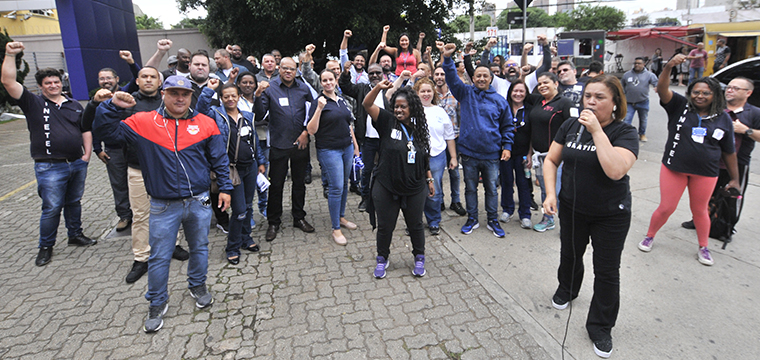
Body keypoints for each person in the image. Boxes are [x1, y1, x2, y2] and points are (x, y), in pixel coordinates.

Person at [93, 76, 232, 333]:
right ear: (163, 93)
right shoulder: (143, 121)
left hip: (199, 202)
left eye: (185, 94)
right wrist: (112, 106)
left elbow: (219, 158)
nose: (180, 98)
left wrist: (225, 187)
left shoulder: (205, 123)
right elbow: (106, 133)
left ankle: (197, 285)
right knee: (158, 256)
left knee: (200, 248)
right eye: (174, 93)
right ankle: (156, 301)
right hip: (162, 205)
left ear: (191, 96)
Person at [542, 74, 639, 359]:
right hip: (572, 207)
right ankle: (567, 288)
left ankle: (600, 326)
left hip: (610, 214)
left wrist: (597, 131)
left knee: (607, 271)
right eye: (588, 96)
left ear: (615, 103)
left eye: (600, 97)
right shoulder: (571, 125)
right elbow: (551, 159)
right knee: (570, 254)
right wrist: (550, 193)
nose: (592, 102)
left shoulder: (624, 133)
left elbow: (615, 170)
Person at [638, 53, 740, 266]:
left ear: (715, 95)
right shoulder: (680, 106)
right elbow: (663, 89)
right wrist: (668, 67)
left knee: (700, 211)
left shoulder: (724, 119)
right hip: (674, 168)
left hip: (706, 172)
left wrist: (735, 179)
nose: (699, 96)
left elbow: (729, 152)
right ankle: (650, 235)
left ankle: (703, 247)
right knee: (666, 207)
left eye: (706, 93)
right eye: (696, 92)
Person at [2, 41, 96, 267]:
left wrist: (87, 155)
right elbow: (7, 80)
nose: (53, 85)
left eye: (56, 81)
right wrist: (9, 54)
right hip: (49, 166)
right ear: (41, 86)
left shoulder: (74, 104)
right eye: (48, 83)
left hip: (76, 163)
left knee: (74, 202)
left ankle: (75, 235)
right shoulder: (32, 102)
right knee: (52, 207)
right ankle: (46, 247)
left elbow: (85, 129)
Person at [439, 41, 514, 238]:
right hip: (469, 153)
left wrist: (507, 146)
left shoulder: (500, 101)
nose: (481, 78)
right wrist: (447, 58)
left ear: (491, 78)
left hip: (491, 154)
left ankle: (492, 220)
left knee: (491, 189)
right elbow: (452, 78)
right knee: (470, 188)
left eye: (485, 76)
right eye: (478, 75)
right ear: (473, 78)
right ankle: (472, 218)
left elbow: (507, 126)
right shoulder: (465, 93)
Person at [362, 80, 434, 278]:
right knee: (385, 226)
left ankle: (419, 257)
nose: (399, 110)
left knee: (416, 224)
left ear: (412, 107)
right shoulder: (386, 121)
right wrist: (378, 88)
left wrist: (429, 179)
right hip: (387, 185)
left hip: (414, 186)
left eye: (403, 106)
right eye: (396, 106)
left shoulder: (419, 128)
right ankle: (381, 259)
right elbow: (367, 105)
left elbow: (423, 157)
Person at [198, 80, 266, 264]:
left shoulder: (247, 116)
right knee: (240, 211)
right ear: (221, 98)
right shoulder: (215, 114)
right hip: (230, 170)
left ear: (239, 97)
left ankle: (246, 239)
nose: (230, 99)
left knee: (248, 207)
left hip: (250, 167)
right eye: (226, 96)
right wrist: (208, 90)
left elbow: (254, 141)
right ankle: (232, 247)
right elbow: (200, 109)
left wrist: (261, 161)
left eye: (233, 96)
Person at [681, 77, 760, 234]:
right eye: (729, 87)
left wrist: (746, 130)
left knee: (731, 196)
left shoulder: (754, 113)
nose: (730, 90)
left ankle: (726, 227)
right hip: (710, 161)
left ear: (748, 93)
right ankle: (698, 220)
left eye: (736, 88)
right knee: (704, 196)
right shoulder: (716, 108)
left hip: (737, 163)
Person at [255, 57, 316, 242]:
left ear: (297, 70)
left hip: (300, 143)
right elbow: (259, 114)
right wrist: (257, 95)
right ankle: (274, 222)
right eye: (284, 68)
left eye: (291, 68)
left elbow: (314, 111)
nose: (288, 71)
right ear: (279, 69)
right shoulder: (270, 88)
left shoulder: (304, 88)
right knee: (277, 185)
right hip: (279, 145)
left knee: (299, 183)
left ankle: (299, 217)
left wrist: (307, 132)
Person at [306, 70, 361, 245]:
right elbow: (311, 130)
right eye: (324, 80)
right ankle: (335, 228)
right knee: (336, 187)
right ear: (321, 83)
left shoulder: (341, 100)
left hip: (346, 147)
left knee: (344, 183)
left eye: (331, 79)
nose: (328, 82)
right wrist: (320, 109)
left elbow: (348, 124)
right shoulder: (318, 102)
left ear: (336, 80)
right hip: (329, 150)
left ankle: (342, 217)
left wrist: (355, 146)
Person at [525, 72, 574, 232]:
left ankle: (568, 224)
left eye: (546, 82)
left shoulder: (565, 103)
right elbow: (534, 129)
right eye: (539, 84)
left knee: (557, 191)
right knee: (546, 189)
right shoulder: (538, 100)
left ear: (556, 84)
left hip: (556, 158)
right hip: (540, 156)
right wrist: (530, 153)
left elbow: (574, 128)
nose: (542, 86)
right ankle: (548, 218)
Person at [340, 63, 387, 212]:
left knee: (386, 168)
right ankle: (366, 198)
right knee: (366, 170)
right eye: (371, 73)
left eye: (377, 73)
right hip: (367, 139)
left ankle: (386, 197)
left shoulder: (389, 90)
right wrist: (346, 73)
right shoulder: (362, 89)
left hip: (386, 138)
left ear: (383, 74)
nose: (374, 75)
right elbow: (345, 87)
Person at [413, 78, 457, 235]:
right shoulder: (411, 110)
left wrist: (453, 157)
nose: (426, 94)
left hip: (437, 156)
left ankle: (433, 221)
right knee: (415, 191)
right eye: (422, 91)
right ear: (417, 93)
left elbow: (449, 136)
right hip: (416, 157)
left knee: (434, 191)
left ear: (433, 93)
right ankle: (414, 221)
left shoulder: (440, 111)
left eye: (428, 91)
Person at [433, 66, 466, 216]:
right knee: (437, 172)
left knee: (454, 172)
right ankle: (439, 201)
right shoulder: (430, 94)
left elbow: (461, 116)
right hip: (436, 141)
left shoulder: (455, 94)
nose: (440, 77)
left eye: (442, 74)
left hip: (454, 138)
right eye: (437, 74)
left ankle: (456, 201)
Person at [501, 80, 534, 229]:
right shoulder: (504, 107)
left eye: (521, 91)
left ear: (526, 93)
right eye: (515, 91)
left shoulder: (530, 110)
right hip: (505, 153)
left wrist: (529, 154)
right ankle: (507, 209)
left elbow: (533, 134)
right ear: (510, 92)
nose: (518, 94)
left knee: (524, 184)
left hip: (522, 154)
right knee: (507, 181)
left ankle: (525, 214)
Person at [622, 57, 658, 142]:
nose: (637, 65)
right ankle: (625, 135)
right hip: (629, 102)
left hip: (643, 102)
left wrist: (657, 88)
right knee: (626, 120)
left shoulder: (649, 75)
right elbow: (622, 85)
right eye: (635, 63)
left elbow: (656, 83)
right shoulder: (627, 74)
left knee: (643, 120)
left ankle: (642, 134)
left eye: (639, 63)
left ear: (643, 64)